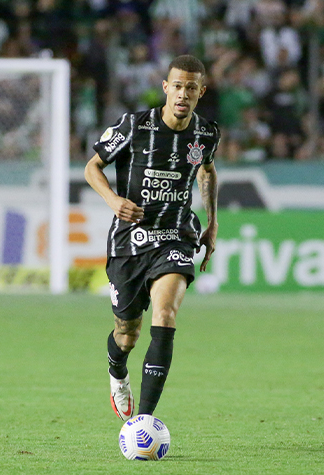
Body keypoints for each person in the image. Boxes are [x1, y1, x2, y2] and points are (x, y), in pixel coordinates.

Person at [84, 54, 220, 421]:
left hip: (176, 236)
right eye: (177, 86)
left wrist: (212, 222)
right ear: (165, 87)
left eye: (191, 87)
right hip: (129, 241)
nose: (183, 94)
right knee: (127, 334)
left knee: (166, 313)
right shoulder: (133, 126)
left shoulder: (206, 133)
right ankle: (117, 372)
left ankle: (143, 422)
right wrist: (113, 200)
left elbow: (207, 172)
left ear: (200, 92)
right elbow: (92, 166)